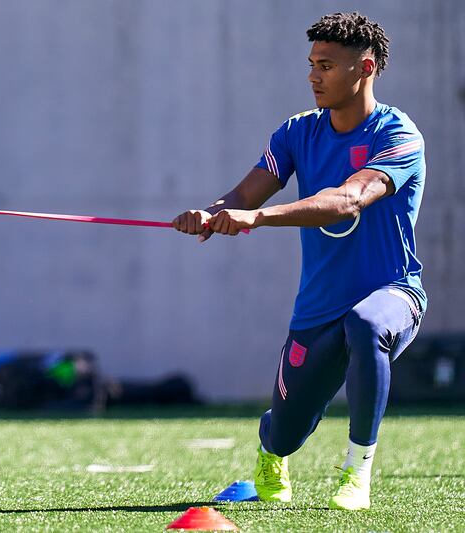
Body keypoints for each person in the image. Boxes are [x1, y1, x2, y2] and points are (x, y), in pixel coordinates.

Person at [173, 12, 425, 511]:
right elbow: (244, 194)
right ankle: (272, 450)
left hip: (395, 291)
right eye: (311, 64)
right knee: (287, 430)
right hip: (316, 308)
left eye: (327, 65)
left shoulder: (398, 134)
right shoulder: (295, 133)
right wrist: (211, 213)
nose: (313, 75)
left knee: (367, 323)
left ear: (365, 67)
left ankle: (357, 472)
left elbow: (348, 199)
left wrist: (258, 218)